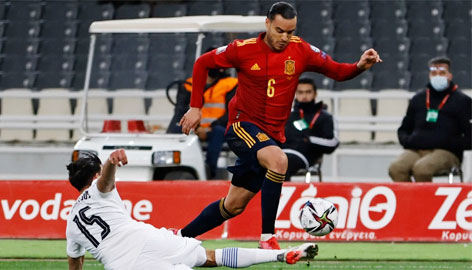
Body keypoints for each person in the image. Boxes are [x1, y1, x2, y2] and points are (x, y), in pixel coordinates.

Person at [179, 1, 381, 249]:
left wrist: (359, 66)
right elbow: (203, 63)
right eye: (280, 31)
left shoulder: (301, 50)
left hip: (271, 136)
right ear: (267, 24)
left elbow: (338, 71)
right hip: (243, 126)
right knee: (279, 160)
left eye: (290, 32)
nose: (285, 37)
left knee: (234, 205)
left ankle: (178, 238)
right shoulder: (242, 49)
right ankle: (268, 239)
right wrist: (195, 106)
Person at [66, 150, 319, 270]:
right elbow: (106, 182)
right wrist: (112, 162)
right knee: (210, 257)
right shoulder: (99, 189)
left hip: (120, 265)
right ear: (96, 173)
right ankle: (280, 255)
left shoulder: (71, 223)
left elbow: (75, 264)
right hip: (146, 239)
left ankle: (281, 256)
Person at [388, 56, 471, 182]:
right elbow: (404, 129)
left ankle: (425, 201)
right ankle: (412, 200)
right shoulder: (418, 99)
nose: (438, 76)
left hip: (446, 152)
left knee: (422, 169)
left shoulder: (462, 101)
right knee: (396, 168)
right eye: (434, 73)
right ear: (429, 75)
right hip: (417, 149)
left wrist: (449, 143)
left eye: (442, 73)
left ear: (450, 75)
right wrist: (408, 141)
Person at [167, 47, 238, 179]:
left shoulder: (230, 84)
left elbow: (233, 111)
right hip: (194, 126)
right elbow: (180, 110)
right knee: (176, 129)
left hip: (216, 127)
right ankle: (173, 169)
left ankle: (208, 171)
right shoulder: (188, 84)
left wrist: (210, 126)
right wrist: (196, 127)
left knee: (218, 132)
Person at [282, 78, 339, 180]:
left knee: (280, 164)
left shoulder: (325, 117)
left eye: (308, 92)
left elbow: (333, 142)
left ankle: (280, 195)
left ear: (315, 94)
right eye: (300, 92)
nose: (304, 96)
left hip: (303, 157)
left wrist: (309, 140)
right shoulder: (287, 115)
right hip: (281, 153)